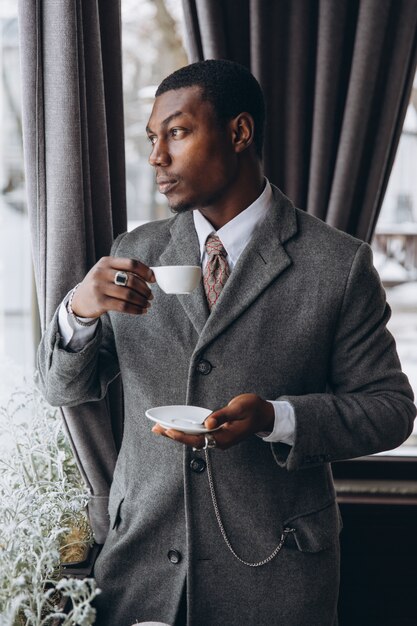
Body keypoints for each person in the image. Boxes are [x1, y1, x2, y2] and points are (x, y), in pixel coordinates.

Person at [37, 59, 416, 626]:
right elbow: (64, 389)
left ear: (239, 133)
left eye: (177, 132)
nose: (156, 157)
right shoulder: (136, 249)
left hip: (277, 578)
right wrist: (78, 311)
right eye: (151, 139)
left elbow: (390, 412)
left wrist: (276, 418)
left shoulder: (337, 264)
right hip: (140, 570)